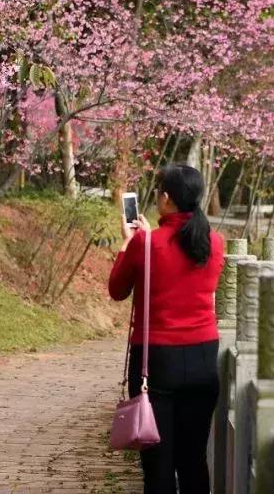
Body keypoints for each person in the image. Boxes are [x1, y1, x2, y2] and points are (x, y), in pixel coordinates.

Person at [108, 164, 226, 494]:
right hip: (204, 358)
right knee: (193, 460)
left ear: (166, 198)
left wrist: (128, 243)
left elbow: (117, 290)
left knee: (158, 465)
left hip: (156, 361)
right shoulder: (214, 242)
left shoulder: (145, 243)